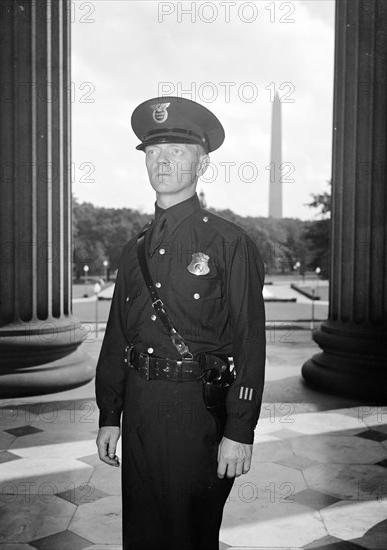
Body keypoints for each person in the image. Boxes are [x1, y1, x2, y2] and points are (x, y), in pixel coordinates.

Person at [95, 96, 266, 550]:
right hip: (139, 410)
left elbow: (250, 341)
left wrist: (239, 430)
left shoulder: (230, 243)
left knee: (188, 535)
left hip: (197, 415)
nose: (162, 161)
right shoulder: (135, 249)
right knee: (143, 532)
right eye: (153, 152)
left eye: (176, 151)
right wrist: (109, 413)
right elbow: (117, 336)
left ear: (203, 162)